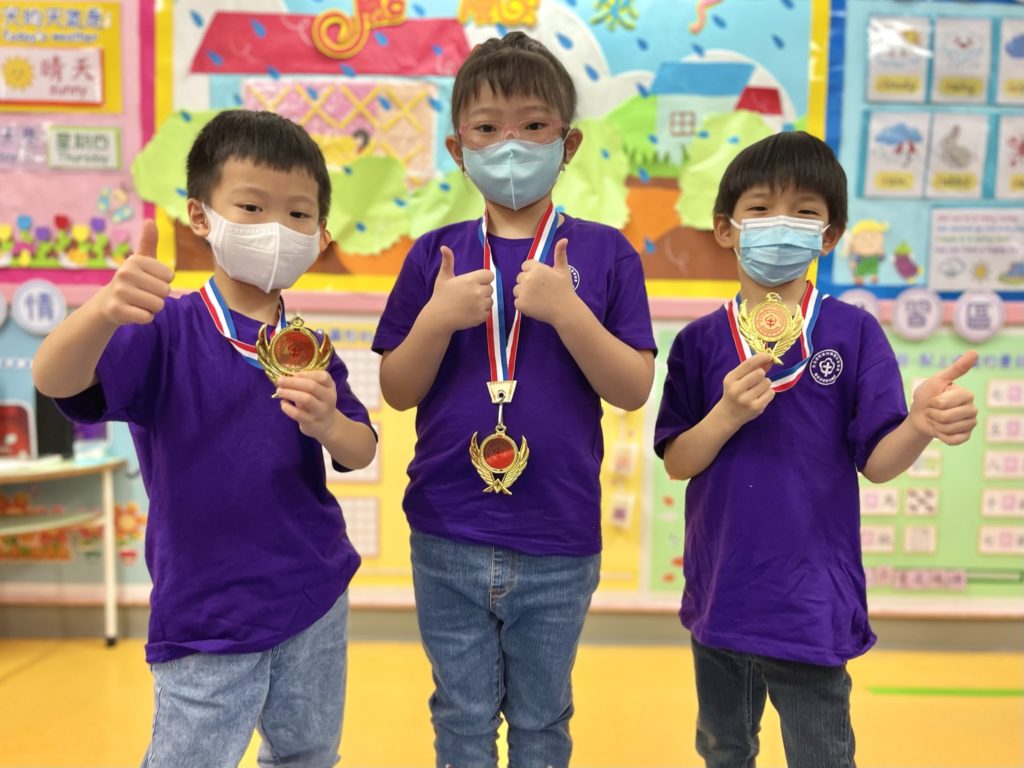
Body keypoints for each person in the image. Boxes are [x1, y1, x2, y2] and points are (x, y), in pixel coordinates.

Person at [33, 110, 377, 767]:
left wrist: (330, 423)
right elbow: (56, 380)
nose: (277, 229)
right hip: (205, 611)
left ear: (321, 236)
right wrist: (101, 311)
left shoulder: (307, 346)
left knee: (309, 753)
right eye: (251, 207)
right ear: (200, 216)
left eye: (298, 215)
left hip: (314, 593)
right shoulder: (163, 328)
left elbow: (360, 449)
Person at [372, 32, 656, 768]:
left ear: (568, 144)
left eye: (533, 126)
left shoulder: (606, 253)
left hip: (559, 534)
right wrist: (436, 320)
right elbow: (397, 391)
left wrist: (569, 313)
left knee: (542, 720)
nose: (510, 144)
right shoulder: (433, 255)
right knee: (461, 719)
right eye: (487, 128)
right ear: (457, 147)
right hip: (446, 530)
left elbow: (631, 388)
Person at [653, 131, 978, 768]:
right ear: (725, 228)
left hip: (810, 599)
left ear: (828, 235)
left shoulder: (854, 332)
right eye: (760, 208)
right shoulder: (698, 342)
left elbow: (877, 463)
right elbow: (678, 462)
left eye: (803, 211)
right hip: (722, 591)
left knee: (822, 754)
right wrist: (726, 415)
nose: (781, 224)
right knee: (723, 749)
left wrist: (919, 423)